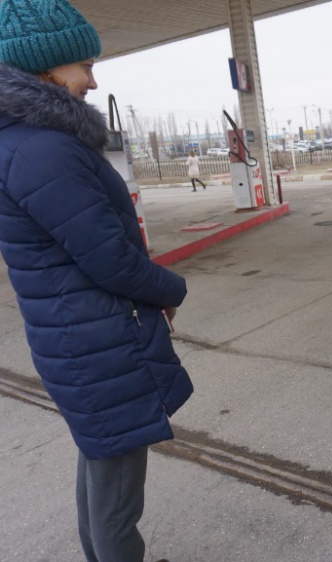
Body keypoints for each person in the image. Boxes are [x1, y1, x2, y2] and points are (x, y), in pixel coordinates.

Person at [0, 1, 193, 560]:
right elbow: (109, 258)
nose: (93, 80)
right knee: (117, 499)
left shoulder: (25, 139)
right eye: (84, 66)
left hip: (77, 337)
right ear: (45, 68)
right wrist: (171, 289)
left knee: (102, 466)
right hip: (96, 342)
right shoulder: (43, 148)